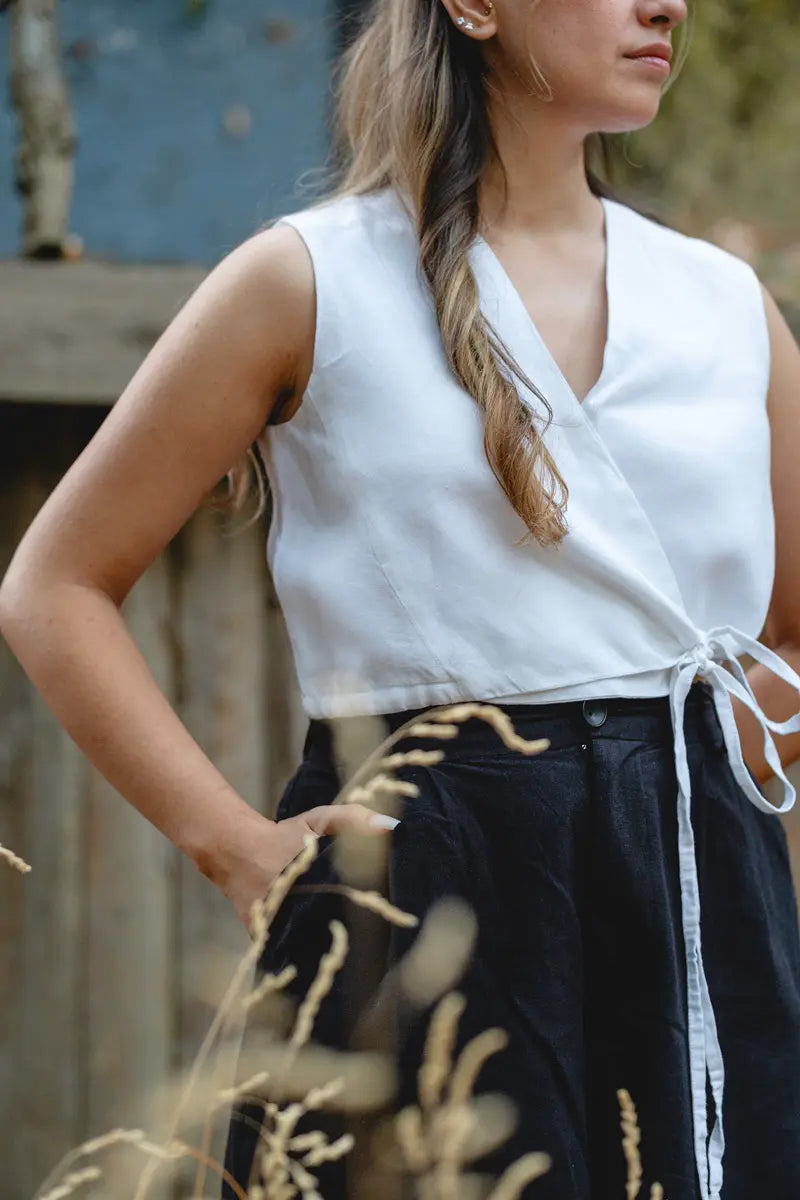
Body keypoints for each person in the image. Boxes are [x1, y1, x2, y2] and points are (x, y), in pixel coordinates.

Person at [2, 0, 800, 1196]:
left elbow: (782, 632)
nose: (665, 3)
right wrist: (233, 847)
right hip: (429, 891)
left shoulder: (724, 305)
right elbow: (53, 583)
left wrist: (692, 818)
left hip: (696, 900)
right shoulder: (305, 280)